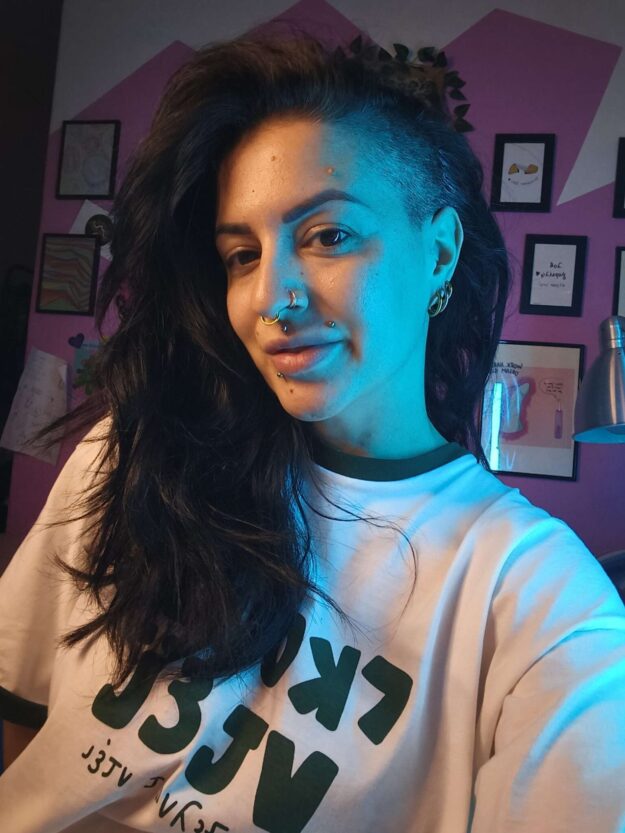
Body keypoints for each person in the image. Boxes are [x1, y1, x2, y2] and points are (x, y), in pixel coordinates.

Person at [1, 29, 624, 833]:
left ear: (438, 251)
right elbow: (21, 731)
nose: (270, 296)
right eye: (240, 254)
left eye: (328, 236)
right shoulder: (134, 457)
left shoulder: (533, 594)